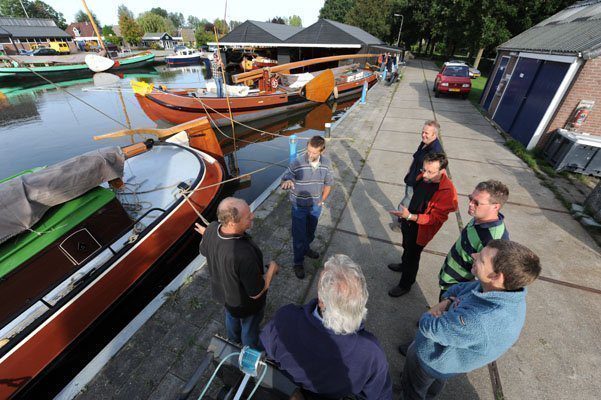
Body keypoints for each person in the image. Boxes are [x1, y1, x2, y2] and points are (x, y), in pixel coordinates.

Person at [399, 240, 541, 400]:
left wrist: (434, 311)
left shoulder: (481, 320)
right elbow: (457, 289)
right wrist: (448, 302)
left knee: (413, 390)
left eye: (481, 259)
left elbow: (427, 325)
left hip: (430, 361)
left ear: (496, 276)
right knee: (433, 384)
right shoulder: (502, 288)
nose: (474, 255)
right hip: (446, 361)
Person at [260, 254, 393, 400]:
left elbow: (264, 352)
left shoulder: (285, 319)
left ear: (322, 302)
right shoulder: (372, 354)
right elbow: (381, 396)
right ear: (362, 299)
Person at [196, 197, 279, 347]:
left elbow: (204, 250)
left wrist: (208, 234)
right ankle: (248, 350)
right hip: (246, 304)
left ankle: (233, 341)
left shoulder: (212, 228)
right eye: (248, 216)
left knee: (231, 317)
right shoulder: (243, 254)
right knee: (249, 328)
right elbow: (257, 292)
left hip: (224, 296)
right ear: (233, 222)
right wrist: (272, 268)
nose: (252, 216)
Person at [388, 152, 458, 297]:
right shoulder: (424, 178)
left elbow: (434, 218)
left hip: (421, 229)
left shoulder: (447, 192)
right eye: (423, 170)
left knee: (413, 256)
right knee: (406, 247)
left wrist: (411, 216)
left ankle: (405, 284)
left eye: (430, 172)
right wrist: (407, 217)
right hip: (409, 221)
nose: (425, 175)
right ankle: (403, 264)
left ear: (442, 171)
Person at [438, 180, 510, 300]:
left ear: (495, 206)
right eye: (470, 198)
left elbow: (486, 279)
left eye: (477, 202)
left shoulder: (493, 241)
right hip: (449, 280)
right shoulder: (479, 218)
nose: (470, 204)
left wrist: (457, 298)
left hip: (457, 291)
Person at [281, 136, 334, 279]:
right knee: (298, 235)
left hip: (315, 206)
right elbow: (286, 177)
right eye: (309, 151)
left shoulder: (327, 163)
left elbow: (328, 183)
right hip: (299, 206)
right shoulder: (297, 162)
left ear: (322, 151)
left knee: (311, 231)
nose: (310, 155)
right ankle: (298, 262)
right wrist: (286, 182)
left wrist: (322, 200)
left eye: (314, 152)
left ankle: (306, 248)